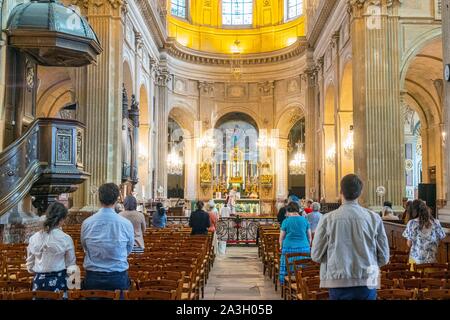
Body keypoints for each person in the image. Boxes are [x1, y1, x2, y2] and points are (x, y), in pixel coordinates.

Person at [311, 174, 390, 300]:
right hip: (368, 280)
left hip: (338, 280)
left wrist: (334, 258)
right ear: (360, 193)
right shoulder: (374, 218)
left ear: (341, 192)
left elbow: (316, 255)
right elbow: (384, 257)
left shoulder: (327, 219)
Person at [81, 183, 134, 293]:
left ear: (99, 198)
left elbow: (85, 247)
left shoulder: (87, 223)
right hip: (117, 277)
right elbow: (129, 248)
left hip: (93, 277)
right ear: (117, 199)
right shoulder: (126, 224)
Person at [26, 202, 76, 296]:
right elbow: (71, 265)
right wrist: (74, 286)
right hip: (59, 280)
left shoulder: (34, 237)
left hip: (39, 282)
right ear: (61, 220)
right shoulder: (66, 238)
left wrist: (40, 272)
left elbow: (29, 265)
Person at [403, 199, 446, 265]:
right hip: (431, 260)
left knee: (415, 275)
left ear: (414, 211)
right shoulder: (436, 222)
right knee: (430, 275)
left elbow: (409, 244)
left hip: (416, 260)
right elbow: (441, 240)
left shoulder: (412, 223)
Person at [279, 202, 312, 286]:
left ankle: (287, 284)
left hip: (288, 248)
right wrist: (308, 246)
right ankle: (303, 284)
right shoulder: (305, 220)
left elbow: (281, 237)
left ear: (288, 210)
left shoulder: (286, 221)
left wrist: (280, 246)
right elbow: (309, 237)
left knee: (288, 268)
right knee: (302, 268)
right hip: (304, 248)